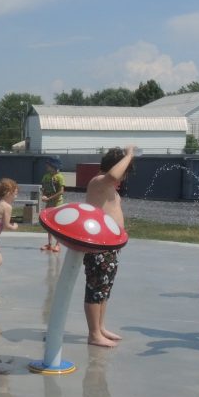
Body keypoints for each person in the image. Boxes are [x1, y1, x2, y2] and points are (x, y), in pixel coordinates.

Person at [84, 146, 135, 348]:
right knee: (95, 289)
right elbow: (114, 175)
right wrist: (130, 155)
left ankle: (100, 327)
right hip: (98, 247)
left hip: (110, 246)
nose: (124, 177)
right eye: (126, 171)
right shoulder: (99, 181)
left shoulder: (108, 186)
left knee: (104, 289)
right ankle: (93, 333)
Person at [39, 156, 66, 252]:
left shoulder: (60, 177)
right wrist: (44, 195)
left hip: (57, 203)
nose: (46, 166)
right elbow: (44, 188)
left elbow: (61, 191)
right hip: (49, 203)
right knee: (49, 224)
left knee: (57, 224)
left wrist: (50, 198)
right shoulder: (46, 177)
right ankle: (49, 243)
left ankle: (58, 244)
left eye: (49, 165)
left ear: (54, 166)